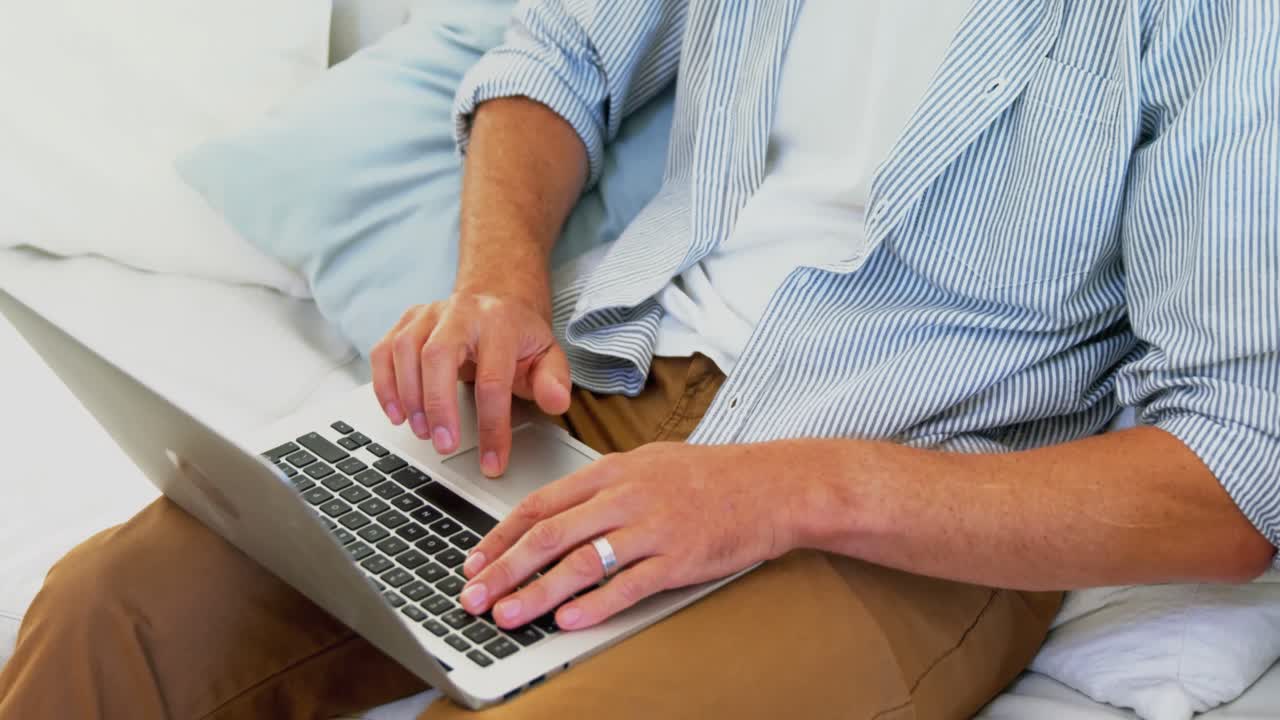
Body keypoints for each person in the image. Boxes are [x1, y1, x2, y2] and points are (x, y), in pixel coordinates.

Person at [2, 1, 1277, 718]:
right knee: (114, 611)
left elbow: (1234, 475)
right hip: (604, 385)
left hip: (908, 506)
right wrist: (497, 279)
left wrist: (788, 489)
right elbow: (554, 54)